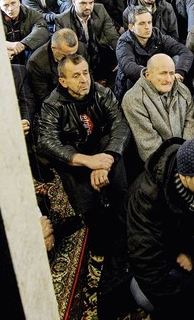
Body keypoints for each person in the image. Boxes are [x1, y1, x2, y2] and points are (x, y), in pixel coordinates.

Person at [37, 54, 130, 254]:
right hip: (75, 159)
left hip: (104, 151)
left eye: (86, 73)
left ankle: (124, 234)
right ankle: (100, 245)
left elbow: (120, 125)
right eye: (76, 75)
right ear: (63, 81)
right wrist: (87, 161)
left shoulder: (102, 93)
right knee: (88, 207)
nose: (84, 80)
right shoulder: (52, 104)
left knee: (120, 191)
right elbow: (46, 142)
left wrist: (106, 160)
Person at [127, 137, 194, 319]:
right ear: (183, 177)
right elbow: (148, 263)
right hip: (166, 257)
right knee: (145, 296)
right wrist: (191, 312)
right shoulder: (147, 200)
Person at [122, 54, 194, 162]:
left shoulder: (183, 90)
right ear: (148, 75)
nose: (169, 79)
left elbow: (193, 127)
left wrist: (190, 158)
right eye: (163, 73)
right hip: (157, 166)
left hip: (188, 157)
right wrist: (177, 164)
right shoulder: (133, 99)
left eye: (172, 73)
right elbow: (149, 146)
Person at [114, 7, 193, 100]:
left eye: (149, 22)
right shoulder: (123, 43)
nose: (147, 27)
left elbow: (185, 52)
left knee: (176, 60)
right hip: (133, 87)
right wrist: (157, 76)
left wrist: (179, 72)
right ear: (131, 27)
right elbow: (129, 68)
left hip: (159, 81)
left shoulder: (157, 36)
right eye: (142, 23)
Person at [54, 0, 119, 84]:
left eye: (91, 2)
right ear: (74, 2)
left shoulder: (100, 9)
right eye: (83, 3)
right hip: (76, 57)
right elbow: (65, 53)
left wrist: (120, 58)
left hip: (98, 52)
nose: (88, 7)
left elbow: (113, 37)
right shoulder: (62, 20)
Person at [27, 28, 85, 104]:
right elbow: (43, 97)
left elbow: (87, 75)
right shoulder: (36, 63)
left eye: (74, 54)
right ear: (54, 48)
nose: (70, 59)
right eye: (65, 55)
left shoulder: (80, 48)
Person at [0, 0, 50, 65]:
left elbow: (42, 30)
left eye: (13, 3)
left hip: (28, 57)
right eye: (5, 5)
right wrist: (7, 46)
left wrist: (22, 45)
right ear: (1, 7)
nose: (10, 8)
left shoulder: (31, 13)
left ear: (19, 1)